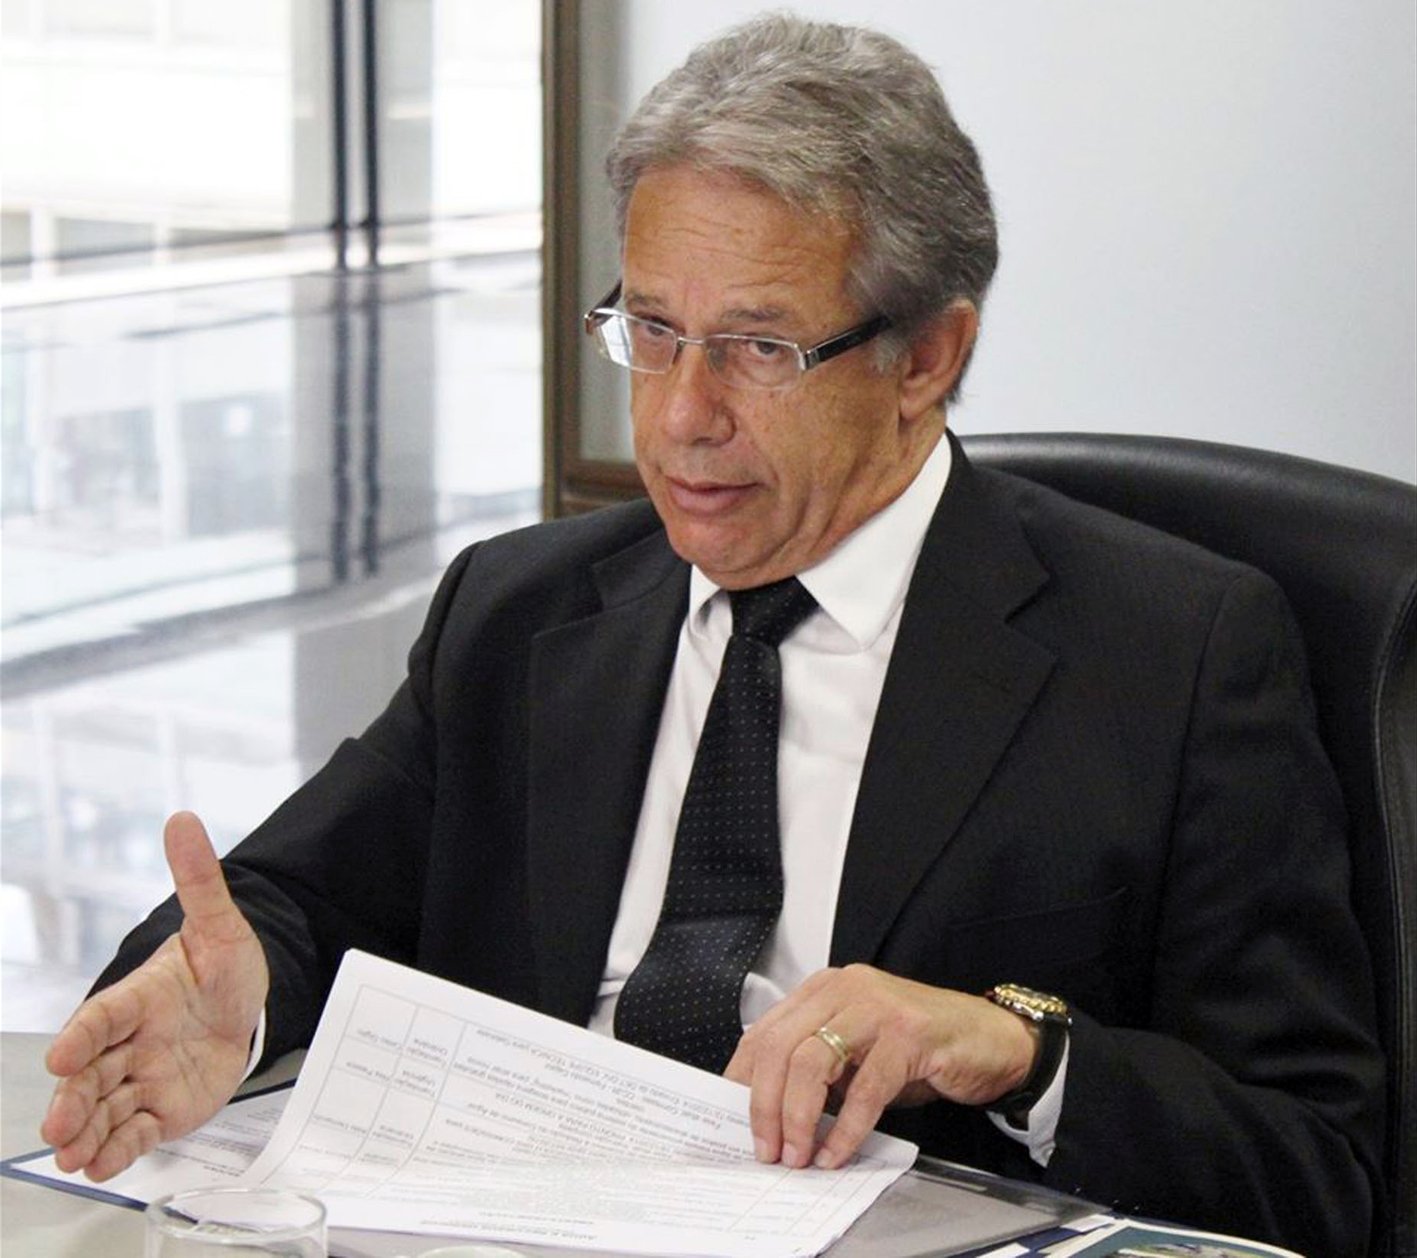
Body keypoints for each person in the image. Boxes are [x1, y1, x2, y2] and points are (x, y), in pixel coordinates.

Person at [40, 14, 1383, 1252]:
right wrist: (229, 1001)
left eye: (756, 348)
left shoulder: (1173, 653)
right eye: (652, 330)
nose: (681, 415)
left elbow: (1316, 1165)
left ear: (926, 357)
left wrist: (1021, 1049)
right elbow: (293, 904)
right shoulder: (517, 613)